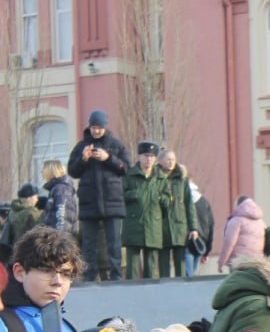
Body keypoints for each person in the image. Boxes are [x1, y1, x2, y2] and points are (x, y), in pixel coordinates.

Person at [68, 110, 130, 281]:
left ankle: (116, 276)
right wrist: (83, 159)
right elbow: (72, 171)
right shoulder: (81, 146)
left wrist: (108, 158)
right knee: (88, 244)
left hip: (112, 202)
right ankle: (89, 276)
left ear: (105, 126)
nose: (96, 131)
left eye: (99, 127)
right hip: (89, 202)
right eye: (94, 127)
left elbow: (126, 168)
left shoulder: (116, 145)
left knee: (114, 244)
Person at [122, 142, 167, 281]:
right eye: (146, 156)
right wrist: (135, 194)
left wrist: (161, 198)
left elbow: (168, 199)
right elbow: (120, 195)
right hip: (134, 224)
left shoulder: (160, 177)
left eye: (152, 157)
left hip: (153, 225)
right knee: (133, 267)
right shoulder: (129, 175)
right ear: (139, 156)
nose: (149, 160)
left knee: (151, 266)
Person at [157, 149, 200, 278]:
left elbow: (189, 204)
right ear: (161, 161)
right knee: (163, 266)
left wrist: (193, 228)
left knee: (180, 266)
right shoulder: (155, 178)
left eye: (173, 160)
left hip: (179, 227)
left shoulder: (182, 179)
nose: (171, 163)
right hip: (161, 227)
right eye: (168, 160)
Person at [218, 196, 267, 273]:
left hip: (240, 262)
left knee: (238, 284)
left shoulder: (236, 221)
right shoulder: (261, 222)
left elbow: (229, 242)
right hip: (258, 262)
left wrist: (221, 262)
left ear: (239, 206)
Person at [0, 183, 42, 263]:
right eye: (35, 197)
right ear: (29, 198)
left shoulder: (12, 212)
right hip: (29, 254)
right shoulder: (32, 213)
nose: (37, 199)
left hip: (14, 253)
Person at [40, 160, 78, 234]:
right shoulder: (57, 189)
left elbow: (62, 215)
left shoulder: (61, 189)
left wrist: (59, 238)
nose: (42, 174)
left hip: (60, 237)